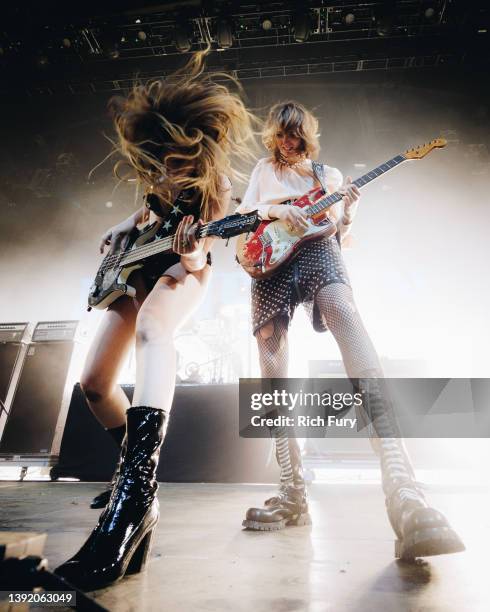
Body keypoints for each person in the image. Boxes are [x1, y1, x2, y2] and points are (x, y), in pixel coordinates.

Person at [55, 50, 256, 590]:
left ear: (196, 149)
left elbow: (206, 248)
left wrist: (191, 255)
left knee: (152, 329)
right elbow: (147, 211)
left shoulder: (213, 186)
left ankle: (136, 493)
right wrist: (122, 229)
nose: (169, 167)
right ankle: (130, 476)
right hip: (137, 267)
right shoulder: (158, 169)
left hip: (183, 270)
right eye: (161, 158)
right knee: (94, 385)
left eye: (177, 159)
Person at [236, 100, 465, 559]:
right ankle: (291, 492)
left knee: (342, 307)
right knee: (271, 354)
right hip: (271, 257)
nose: (288, 142)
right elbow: (248, 212)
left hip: (318, 249)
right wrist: (280, 211)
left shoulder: (331, 176)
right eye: (281, 134)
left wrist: (350, 213)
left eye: (295, 134)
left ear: (307, 133)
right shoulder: (264, 168)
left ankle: (403, 487)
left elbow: (336, 227)